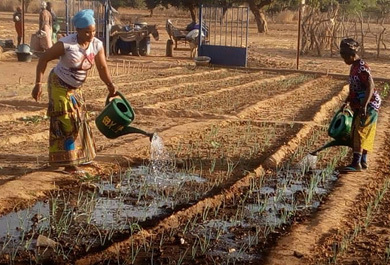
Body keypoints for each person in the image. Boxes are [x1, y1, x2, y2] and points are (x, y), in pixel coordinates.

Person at [31, 9, 118, 175]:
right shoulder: (67, 44)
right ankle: (69, 163)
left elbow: (102, 67)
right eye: (87, 32)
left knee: (80, 120)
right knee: (66, 121)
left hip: (75, 88)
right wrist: (38, 84)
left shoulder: (97, 44)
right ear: (77, 30)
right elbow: (43, 59)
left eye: (93, 31)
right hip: (58, 84)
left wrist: (110, 85)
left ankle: (82, 157)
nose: (91, 35)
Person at [339, 38, 381, 172]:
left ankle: (356, 164)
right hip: (360, 104)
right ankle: (363, 161)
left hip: (368, 104)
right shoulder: (354, 66)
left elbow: (371, 86)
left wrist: (364, 106)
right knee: (363, 131)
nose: (344, 60)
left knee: (359, 132)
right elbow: (354, 87)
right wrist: (346, 102)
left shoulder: (362, 66)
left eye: (345, 57)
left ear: (351, 55)